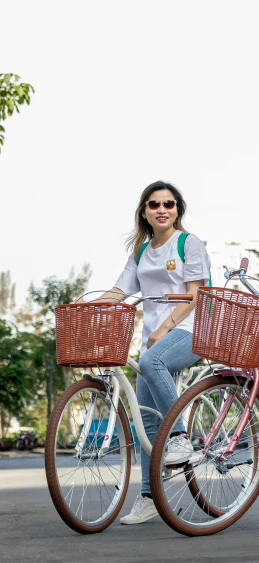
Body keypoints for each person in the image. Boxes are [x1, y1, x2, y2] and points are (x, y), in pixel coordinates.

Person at [95, 180, 211, 525]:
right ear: (144, 212)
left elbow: (195, 295)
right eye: (154, 204)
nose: (162, 209)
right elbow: (121, 289)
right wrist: (90, 304)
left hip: (189, 330)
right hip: (155, 340)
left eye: (169, 204)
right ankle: (148, 496)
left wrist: (163, 329)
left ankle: (179, 437)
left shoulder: (188, 244)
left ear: (178, 210)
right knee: (144, 418)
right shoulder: (142, 251)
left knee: (151, 361)